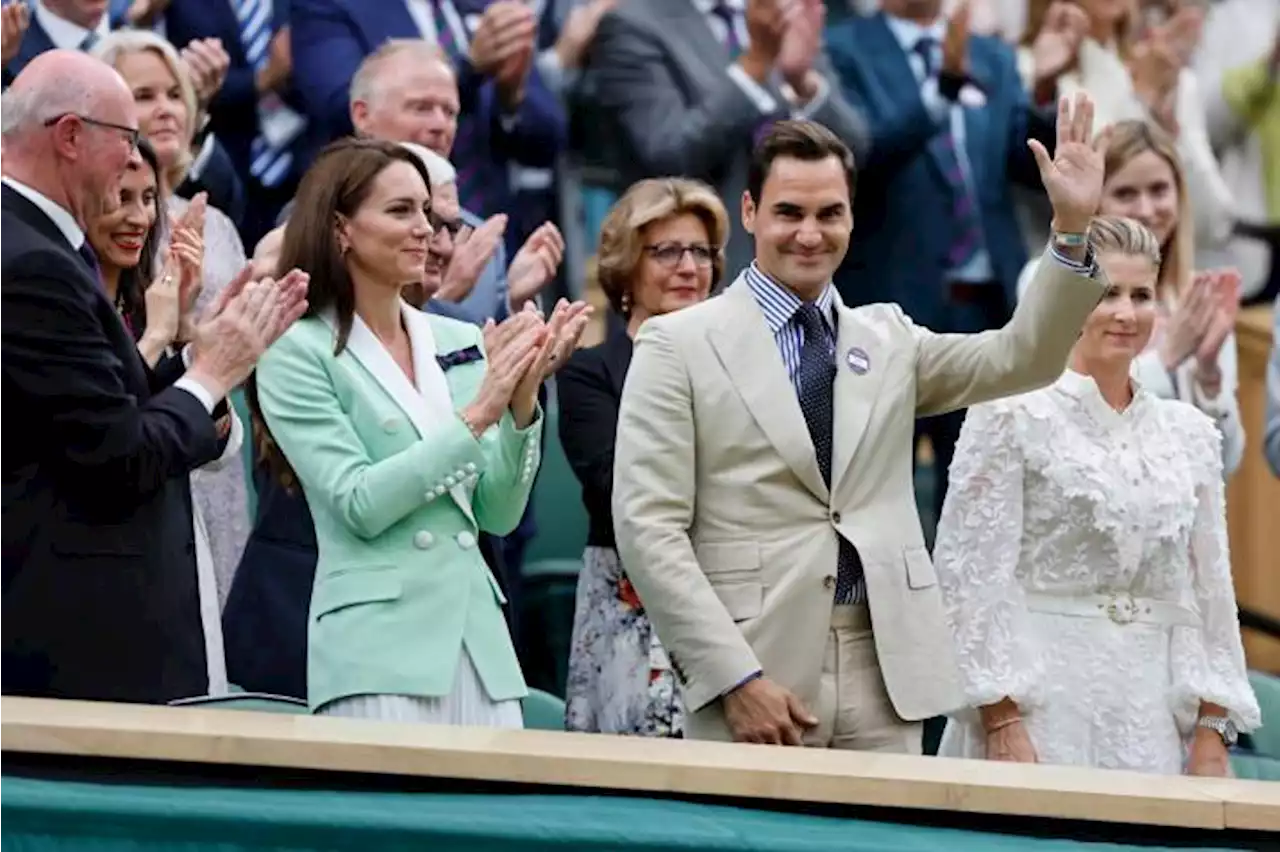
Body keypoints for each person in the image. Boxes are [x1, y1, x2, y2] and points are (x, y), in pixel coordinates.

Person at [612, 104, 1108, 750]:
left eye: (830, 214)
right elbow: (648, 529)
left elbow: (1024, 357)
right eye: (790, 212)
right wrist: (732, 678)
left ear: (852, 215)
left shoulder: (890, 338)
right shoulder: (676, 344)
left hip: (887, 670)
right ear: (750, 212)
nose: (810, 234)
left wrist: (1070, 230)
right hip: (754, 673)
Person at [0, 49, 305, 703]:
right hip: (68, 637)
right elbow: (116, 458)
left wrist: (196, 366)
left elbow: (84, 414)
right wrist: (213, 371)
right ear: (71, 136)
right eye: (126, 140)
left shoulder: (38, 248)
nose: (134, 165)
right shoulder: (31, 264)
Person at [253, 138, 590, 725]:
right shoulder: (295, 349)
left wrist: (520, 404)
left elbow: (496, 515)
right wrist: (481, 412)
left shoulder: (455, 341)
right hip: (375, 651)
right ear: (341, 228)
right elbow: (358, 502)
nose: (426, 232)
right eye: (400, 211)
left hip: (479, 648)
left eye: (429, 216)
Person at [933, 215, 1261, 776]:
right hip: (1039, 709)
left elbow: (1208, 590)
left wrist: (1211, 725)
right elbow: (968, 578)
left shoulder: (1190, 435)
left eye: (1141, 295)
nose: (1125, 313)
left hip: (1149, 715)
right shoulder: (1009, 411)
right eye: (1106, 293)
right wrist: (1001, 718)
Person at [560, 177, 727, 737]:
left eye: (701, 252)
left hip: (734, 603)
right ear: (629, 266)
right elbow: (618, 490)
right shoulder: (591, 374)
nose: (689, 266)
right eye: (667, 252)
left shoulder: (744, 368)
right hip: (630, 608)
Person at [94, 29, 254, 598]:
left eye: (172, 92)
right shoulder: (95, 228)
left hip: (216, 453)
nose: (163, 108)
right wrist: (180, 330)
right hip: (145, 452)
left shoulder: (216, 223)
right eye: (142, 95)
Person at [85, 140, 241, 696]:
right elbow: (109, 427)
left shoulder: (148, 299)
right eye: (119, 197)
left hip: (174, 553)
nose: (138, 216)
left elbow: (218, 449)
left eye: (149, 198)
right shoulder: (59, 301)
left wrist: (191, 336)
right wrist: (156, 338)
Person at [1017, 121, 1245, 476]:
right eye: (1126, 193)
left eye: (1158, 190)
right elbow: (1061, 422)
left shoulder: (1200, 298)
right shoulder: (1050, 281)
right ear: (1093, 198)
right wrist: (1166, 359)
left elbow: (1225, 465)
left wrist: (1209, 374)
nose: (1145, 209)